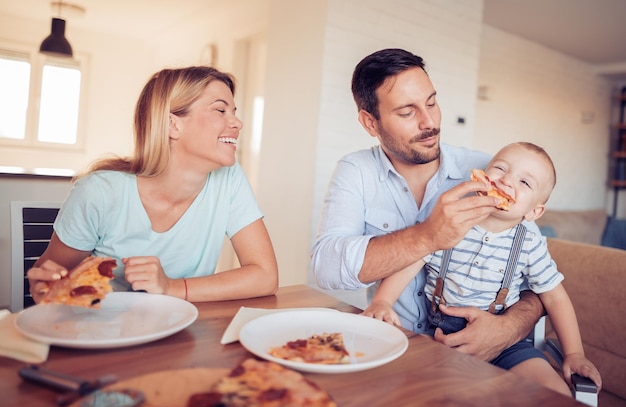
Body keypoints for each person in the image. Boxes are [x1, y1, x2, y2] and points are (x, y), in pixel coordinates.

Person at [310, 48, 544, 362]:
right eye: (407, 112)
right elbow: (325, 268)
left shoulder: (491, 173)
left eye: (432, 102)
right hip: (393, 346)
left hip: (487, 355)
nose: (430, 121)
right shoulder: (355, 172)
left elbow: (537, 281)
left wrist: (508, 329)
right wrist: (428, 236)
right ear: (370, 122)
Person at [363, 142, 602, 396]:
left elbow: (555, 296)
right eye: (500, 168)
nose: (507, 180)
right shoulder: (452, 223)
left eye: (525, 182)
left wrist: (575, 353)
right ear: (482, 176)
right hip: (442, 338)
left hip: (507, 346)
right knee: (426, 394)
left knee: (554, 394)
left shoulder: (530, 244)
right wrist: (383, 301)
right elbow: (414, 258)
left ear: (535, 211)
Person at [27, 66, 279, 302]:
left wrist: (171, 287)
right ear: (172, 125)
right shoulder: (100, 192)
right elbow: (48, 279)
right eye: (221, 110)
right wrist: (46, 287)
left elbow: (265, 276)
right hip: (102, 334)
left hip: (183, 334)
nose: (237, 123)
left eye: (234, 112)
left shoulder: (229, 179)